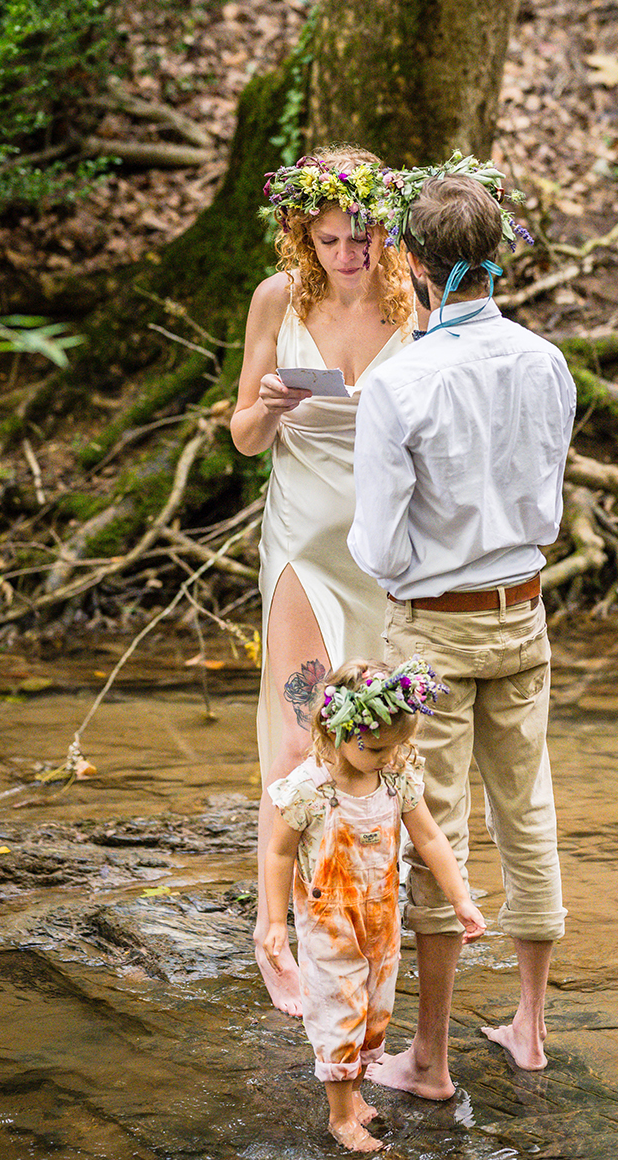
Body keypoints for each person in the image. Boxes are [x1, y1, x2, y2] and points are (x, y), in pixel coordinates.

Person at [348, 165, 576, 1098]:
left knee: (435, 831)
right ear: (495, 261)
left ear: (413, 265)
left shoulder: (400, 383)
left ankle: (430, 1061)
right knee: (529, 812)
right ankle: (528, 1025)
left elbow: (376, 544)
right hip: (523, 615)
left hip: (434, 634)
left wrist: (411, 582)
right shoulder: (547, 360)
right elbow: (546, 493)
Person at [230, 145, 415, 1013]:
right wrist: (268, 407)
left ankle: (361, 904)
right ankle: (279, 929)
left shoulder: (414, 293)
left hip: (387, 545)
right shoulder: (278, 299)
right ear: (305, 234)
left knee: (376, 736)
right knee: (301, 739)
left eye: (365, 236)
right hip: (304, 535)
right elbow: (241, 437)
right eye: (334, 239)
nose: (352, 254)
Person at [263, 656, 485, 1153]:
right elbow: (278, 853)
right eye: (379, 747)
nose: (390, 756)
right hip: (329, 923)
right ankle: (340, 1116)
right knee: (339, 1013)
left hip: (380, 918)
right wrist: (275, 921)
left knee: (374, 1012)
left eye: (399, 745)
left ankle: (355, 1092)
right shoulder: (310, 788)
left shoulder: (396, 777)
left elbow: (429, 838)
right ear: (337, 730)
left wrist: (461, 900)